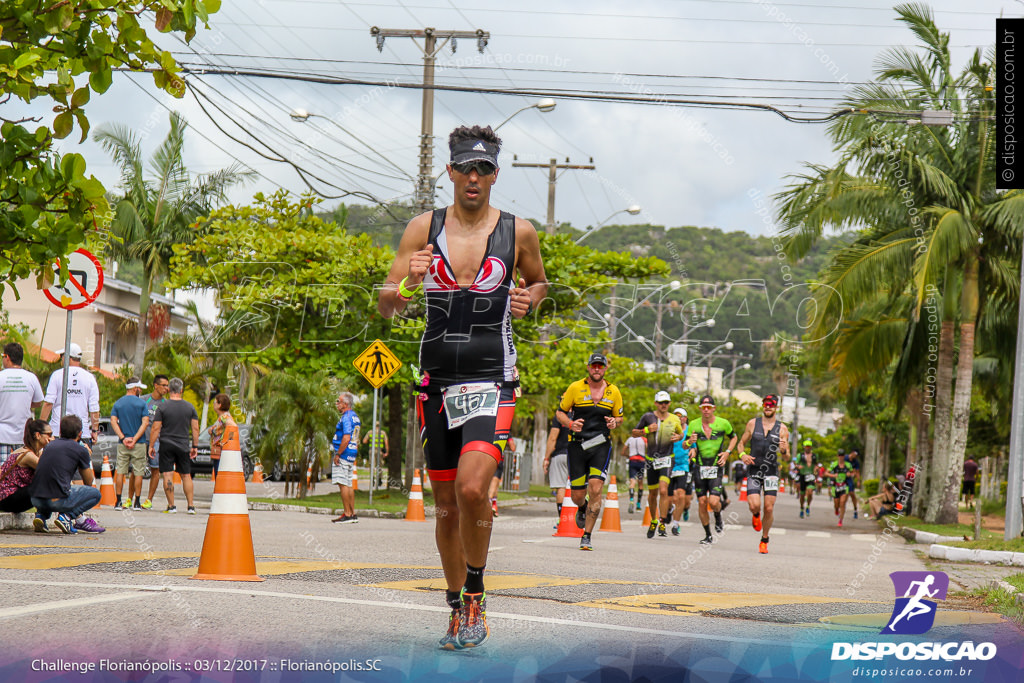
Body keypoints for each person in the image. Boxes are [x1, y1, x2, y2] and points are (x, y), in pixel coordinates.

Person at [377, 123, 547, 650]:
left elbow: (539, 280)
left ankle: (475, 591)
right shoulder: (420, 229)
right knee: (447, 504)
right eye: (465, 168)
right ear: (449, 172)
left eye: (485, 168)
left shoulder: (518, 232)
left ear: (496, 175)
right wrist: (406, 282)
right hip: (436, 382)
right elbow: (386, 301)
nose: (474, 177)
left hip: (493, 377)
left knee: (475, 489)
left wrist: (530, 299)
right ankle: (456, 606)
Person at [557, 354, 623, 551]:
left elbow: (619, 418)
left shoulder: (614, 391)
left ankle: (586, 536)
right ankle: (583, 508)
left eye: (600, 366)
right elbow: (560, 412)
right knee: (578, 495)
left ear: (605, 369)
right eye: (594, 366)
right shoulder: (575, 388)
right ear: (588, 368)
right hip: (577, 445)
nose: (597, 369)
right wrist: (570, 423)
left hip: (601, 445)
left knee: (595, 488)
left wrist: (614, 422)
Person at [28, 415, 104, 533]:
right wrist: (87, 458)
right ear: (80, 434)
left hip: (35, 499)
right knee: (95, 494)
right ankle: (67, 516)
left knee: (51, 485)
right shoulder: (80, 450)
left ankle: (41, 516)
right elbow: (88, 481)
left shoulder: (49, 446)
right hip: (55, 500)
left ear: (60, 431)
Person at [736, 394, 789, 554]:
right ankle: (755, 514)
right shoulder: (753, 423)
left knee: (769, 507)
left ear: (776, 408)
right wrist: (742, 455)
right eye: (766, 404)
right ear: (763, 406)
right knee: (754, 505)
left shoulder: (783, 429)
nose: (768, 407)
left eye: (771, 405)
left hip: (771, 471)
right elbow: (740, 443)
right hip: (754, 469)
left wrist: (784, 450)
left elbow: (786, 457)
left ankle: (764, 539)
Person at [631, 390, 683, 539]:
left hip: (667, 458)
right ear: (656, 403)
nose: (663, 405)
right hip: (651, 460)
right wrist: (646, 430)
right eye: (661, 403)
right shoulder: (648, 417)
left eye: (666, 402)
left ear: (670, 403)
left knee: (663, 490)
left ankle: (662, 521)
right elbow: (634, 433)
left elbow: (680, 434)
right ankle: (653, 520)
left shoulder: (674, 419)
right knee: (653, 494)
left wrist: (678, 437)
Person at [687, 395, 737, 545]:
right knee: (702, 502)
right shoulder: (694, 425)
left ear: (714, 408)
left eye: (709, 407)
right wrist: (689, 444)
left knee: (714, 501)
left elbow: (734, 437)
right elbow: (686, 444)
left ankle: (718, 515)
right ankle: (708, 534)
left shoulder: (723, 424)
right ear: (700, 409)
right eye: (703, 407)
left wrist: (727, 452)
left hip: (716, 466)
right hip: (700, 467)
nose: (706, 410)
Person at [148, 378, 199, 514]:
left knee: (167, 474)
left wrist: (151, 446)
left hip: (166, 444)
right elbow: (195, 428)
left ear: (169, 390)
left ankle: (171, 505)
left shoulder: (163, 407)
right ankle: (191, 506)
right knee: (186, 475)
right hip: (183, 445)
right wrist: (195, 446)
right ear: (181, 390)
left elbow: (155, 428)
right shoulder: (190, 407)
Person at [39, 343, 100, 445]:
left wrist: (41, 426)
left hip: (58, 430)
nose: (61, 360)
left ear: (67, 357)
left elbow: (48, 403)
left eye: (61, 356)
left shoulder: (57, 375)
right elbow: (94, 408)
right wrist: (94, 430)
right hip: (81, 432)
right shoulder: (89, 378)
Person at [109, 377, 150, 511]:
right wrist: (135, 438)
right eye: (139, 388)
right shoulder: (142, 404)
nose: (140, 390)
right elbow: (145, 422)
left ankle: (118, 501)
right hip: (139, 443)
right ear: (135, 388)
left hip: (123, 443)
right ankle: (137, 502)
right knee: (138, 472)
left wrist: (123, 437)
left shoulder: (118, 403)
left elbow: (113, 421)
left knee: (120, 471)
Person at [0, 342, 44, 464]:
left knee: (2, 474)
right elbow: (39, 402)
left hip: (2, 435)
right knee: (22, 472)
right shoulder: (31, 378)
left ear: (7, 357)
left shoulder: (1, 376)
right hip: (24, 436)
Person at [0, 419, 51, 513]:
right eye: (49, 434)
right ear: (38, 435)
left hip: (18, 495)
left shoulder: (38, 452)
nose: (52, 438)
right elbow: (50, 471)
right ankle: (43, 515)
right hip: (5, 499)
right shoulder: (28, 455)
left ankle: (43, 515)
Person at [330, 392, 361, 524]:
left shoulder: (346, 417)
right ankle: (352, 513)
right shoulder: (355, 416)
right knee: (348, 483)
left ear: (345, 404)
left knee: (343, 484)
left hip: (344, 453)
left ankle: (347, 513)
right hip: (352, 452)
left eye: (339, 401)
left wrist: (338, 454)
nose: (337, 403)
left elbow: (347, 437)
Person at [141, 375, 170, 509]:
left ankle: (149, 500)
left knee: (155, 470)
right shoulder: (144, 400)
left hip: (157, 442)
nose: (166, 388)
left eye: (167, 386)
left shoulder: (166, 404)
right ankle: (134, 498)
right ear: (155, 385)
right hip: (141, 439)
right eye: (163, 385)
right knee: (137, 471)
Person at [667, 407, 694, 535]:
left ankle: (676, 524)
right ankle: (670, 510)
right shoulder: (669, 430)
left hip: (684, 466)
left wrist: (693, 451)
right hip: (669, 465)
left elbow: (694, 446)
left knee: (683, 496)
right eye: (676, 415)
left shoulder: (690, 431)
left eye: (681, 416)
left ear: (685, 418)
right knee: (670, 498)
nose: (679, 418)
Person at [542, 406, 569, 526]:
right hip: (578, 456)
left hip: (560, 455)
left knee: (561, 487)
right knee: (577, 488)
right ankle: (578, 518)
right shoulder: (582, 415)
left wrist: (546, 458)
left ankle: (562, 520)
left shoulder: (559, 417)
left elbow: (553, 439)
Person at [207, 393, 239, 478]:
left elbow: (233, 426)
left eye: (215, 402)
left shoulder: (224, 417)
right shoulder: (222, 417)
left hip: (221, 452)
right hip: (219, 452)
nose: (213, 404)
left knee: (220, 477)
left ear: (219, 404)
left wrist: (229, 440)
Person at [825, 449, 854, 528]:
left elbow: (853, 472)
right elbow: (826, 473)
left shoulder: (848, 465)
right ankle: (836, 509)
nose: (841, 457)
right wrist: (833, 476)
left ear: (844, 456)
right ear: (837, 456)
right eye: (840, 455)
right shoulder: (834, 465)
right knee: (836, 503)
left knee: (842, 502)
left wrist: (849, 474)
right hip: (836, 486)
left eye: (842, 456)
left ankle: (840, 520)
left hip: (844, 486)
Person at [622, 429, 647, 514]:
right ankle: (639, 504)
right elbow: (649, 449)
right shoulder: (644, 439)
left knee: (632, 482)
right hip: (641, 462)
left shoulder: (629, 439)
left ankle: (631, 500)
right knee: (640, 483)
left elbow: (623, 451)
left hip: (632, 461)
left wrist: (628, 456)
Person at [797, 440, 817, 518]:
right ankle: (802, 508)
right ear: (804, 447)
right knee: (802, 494)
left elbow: (816, 464)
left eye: (809, 447)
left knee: (810, 492)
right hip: (802, 475)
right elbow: (796, 463)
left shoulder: (814, 456)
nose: (807, 448)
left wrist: (816, 469)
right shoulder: (800, 455)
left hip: (811, 475)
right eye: (806, 447)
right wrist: (798, 466)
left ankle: (808, 506)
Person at [847, 449, 862, 519]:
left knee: (852, 494)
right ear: (852, 453)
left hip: (849, 479)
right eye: (855, 455)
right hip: (841, 479)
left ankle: (855, 510)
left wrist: (858, 481)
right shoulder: (845, 458)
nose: (856, 457)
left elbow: (857, 472)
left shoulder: (856, 462)